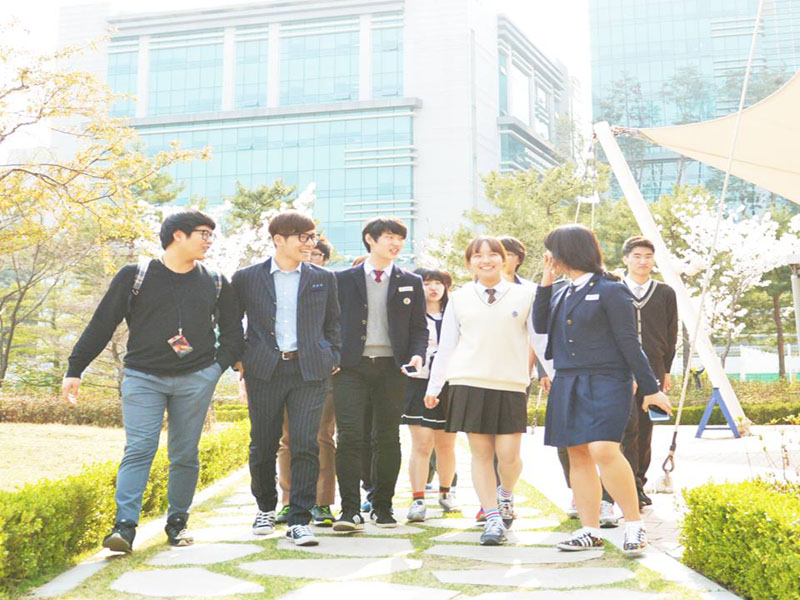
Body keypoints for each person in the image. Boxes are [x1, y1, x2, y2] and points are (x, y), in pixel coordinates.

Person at [62, 210, 243, 553]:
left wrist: (214, 370)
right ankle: (124, 527)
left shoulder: (216, 280)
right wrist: (75, 368)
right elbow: (103, 323)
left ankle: (178, 522)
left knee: (184, 453)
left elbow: (234, 332)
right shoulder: (136, 275)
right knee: (139, 449)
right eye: (203, 233)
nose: (209, 241)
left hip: (196, 378)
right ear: (178, 235)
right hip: (143, 377)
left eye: (211, 234)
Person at [533, 224, 672, 555]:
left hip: (607, 380)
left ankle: (634, 525)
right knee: (577, 453)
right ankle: (589, 530)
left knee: (604, 449)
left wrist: (651, 388)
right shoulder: (561, 291)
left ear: (568, 251)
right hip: (568, 380)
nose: (549, 256)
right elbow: (539, 325)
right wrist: (546, 281)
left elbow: (629, 342)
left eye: (552, 250)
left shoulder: (612, 290)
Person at [232, 211, 341, 547]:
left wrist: (332, 355)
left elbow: (334, 322)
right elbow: (232, 322)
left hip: (309, 371)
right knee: (263, 444)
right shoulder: (247, 278)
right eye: (303, 237)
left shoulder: (323, 278)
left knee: (305, 444)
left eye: (312, 237)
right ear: (279, 240)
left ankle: (299, 518)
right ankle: (266, 508)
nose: (310, 243)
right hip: (264, 371)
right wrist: (240, 360)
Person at [425, 236, 536, 546]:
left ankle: (505, 494)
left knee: (509, 456)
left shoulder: (525, 295)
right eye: (477, 256)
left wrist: (554, 375)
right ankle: (492, 518)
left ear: (504, 259)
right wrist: (435, 386)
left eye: (492, 254)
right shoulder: (459, 298)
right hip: (469, 382)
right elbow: (447, 345)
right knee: (481, 454)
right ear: (469, 263)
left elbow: (539, 341)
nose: (485, 260)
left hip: (510, 384)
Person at [332, 217, 428, 531]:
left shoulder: (410, 281)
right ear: (369, 239)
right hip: (350, 368)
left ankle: (383, 507)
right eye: (389, 237)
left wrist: (417, 353)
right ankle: (349, 510)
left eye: (400, 237)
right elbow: (329, 322)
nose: (396, 243)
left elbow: (419, 328)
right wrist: (332, 355)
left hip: (392, 368)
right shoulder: (342, 279)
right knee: (349, 437)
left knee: (387, 437)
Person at [275, 237, 338, 527]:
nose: (310, 257)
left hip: (319, 372)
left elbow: (336, 324)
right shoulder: (278, 283)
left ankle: (322, 502)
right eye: (306, 252)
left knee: (322, 436)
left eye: (316, 254)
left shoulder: (328, 283)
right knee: (287, 439)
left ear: (324, 259)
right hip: (283, 370)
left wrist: (333, 357)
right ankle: (289, 501)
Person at [620, 236, 678, 506]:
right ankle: (623, 486)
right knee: (624, 429)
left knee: (644, 430)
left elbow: (671, 332)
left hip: (653, 368)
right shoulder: (614, 290)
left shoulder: (665, 293)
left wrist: (666, 370)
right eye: (637, 256)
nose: (642, 261)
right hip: (620, 368)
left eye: (647, 256)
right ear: (625, 259)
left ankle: (638, 485)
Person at [401, 268, 458, 522]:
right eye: (426, 283)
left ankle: (446, 492)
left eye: (438, 283)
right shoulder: (411, 316)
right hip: (418, 382)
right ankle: (418, 499)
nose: (433, 288)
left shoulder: (454, 314)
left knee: (446, 444)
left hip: (450, 383)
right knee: (422, 443)